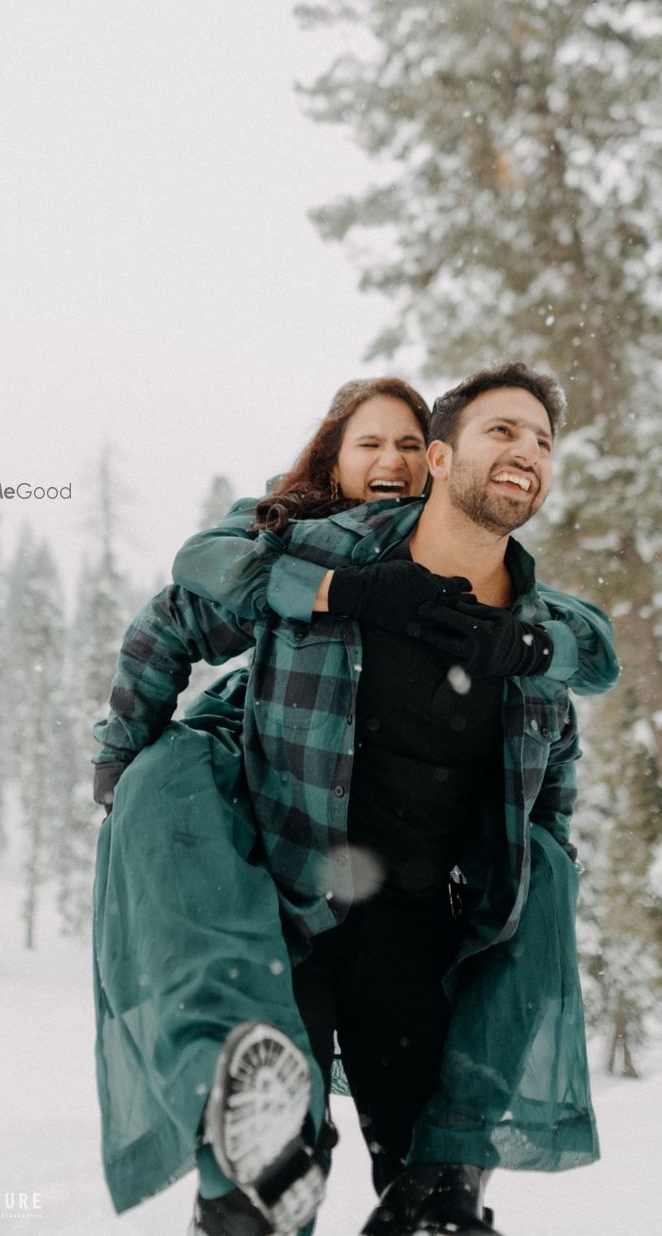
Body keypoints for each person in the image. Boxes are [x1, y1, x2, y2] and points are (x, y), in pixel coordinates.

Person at [93, 366, 617, 1236]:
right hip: (284, 903)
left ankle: (439, 1190)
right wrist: (120, 765)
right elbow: (186, 598)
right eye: (503, 432)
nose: (526, 450)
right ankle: (256, 1171)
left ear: (427, 462)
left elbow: (568, 728)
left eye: (543, 441)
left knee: (433, 1197)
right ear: (448, 463)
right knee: (263, 1181)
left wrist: (533, 651)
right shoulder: (312, 555)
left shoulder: (532, 639)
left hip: (412, 931)